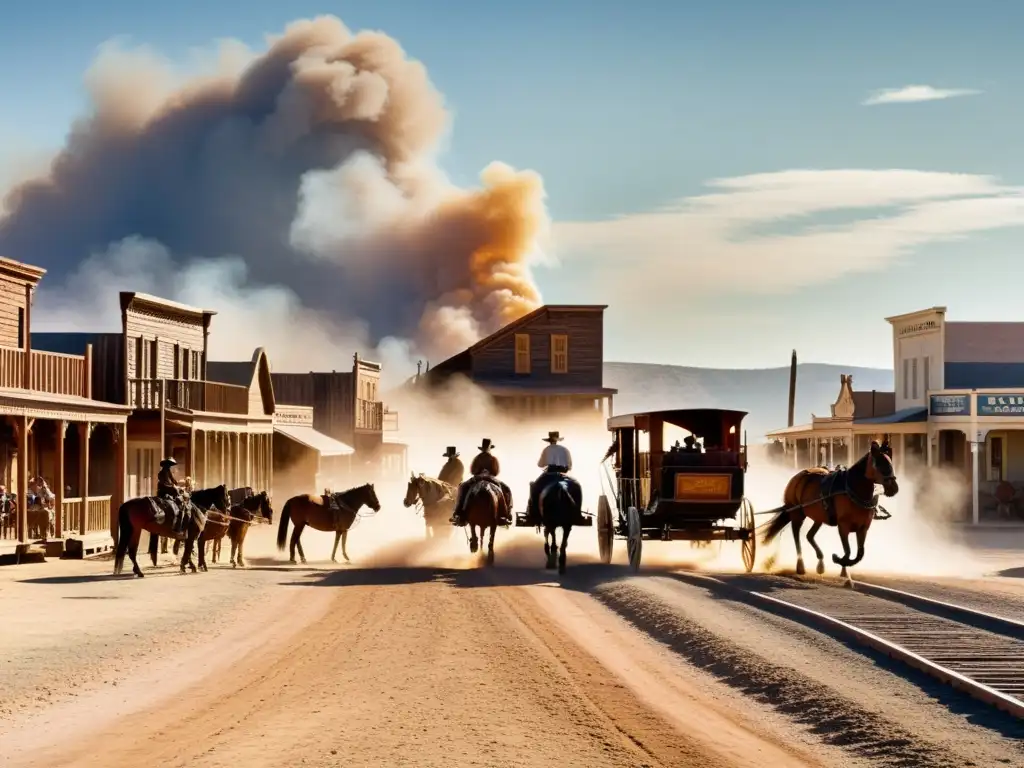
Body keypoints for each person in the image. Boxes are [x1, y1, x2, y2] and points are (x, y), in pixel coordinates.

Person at [525, 432, 583, 526]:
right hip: (562, 473)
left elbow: (540, 464)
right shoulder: (565, 450)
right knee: (577, 486)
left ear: (549, 440)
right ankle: (577, 513)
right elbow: (570, 465)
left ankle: (534, 514)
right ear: (557, 439)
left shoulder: (546, 449)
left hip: (549, 473)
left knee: (534, 487)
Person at [450, 439, 512, 526]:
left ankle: (458, 513)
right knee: (506, 489)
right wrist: (488, 473)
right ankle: (505, 515)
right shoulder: (493, 459)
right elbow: (496, 471)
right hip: (491, 478)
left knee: (463, 487)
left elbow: (473, 470)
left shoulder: (478, 458)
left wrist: (480, 473)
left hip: (477, 478)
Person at [156, 457, 186, 531]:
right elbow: (164, 483)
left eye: (170, 465)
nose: (169, 466)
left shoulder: (168, 471)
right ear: (165, 465)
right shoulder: (161, 473)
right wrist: (174, 487)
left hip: (168, 488)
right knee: (177, 493)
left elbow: (173, 480)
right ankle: (179, 507)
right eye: (168, 465)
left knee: (179, 491)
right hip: (164, 490)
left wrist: (180, 484)